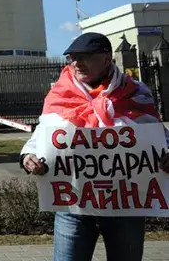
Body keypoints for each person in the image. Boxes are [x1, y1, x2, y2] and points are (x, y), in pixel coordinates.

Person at [20, 32, 169, 261]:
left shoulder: (137, 93)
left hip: (125, 207)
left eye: (86, 56)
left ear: (107, 58)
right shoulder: (58, 95)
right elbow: (42, 135)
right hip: (74, 205)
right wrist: (27, 156)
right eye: (73, 57)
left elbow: (157, 136)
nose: (77, 63)